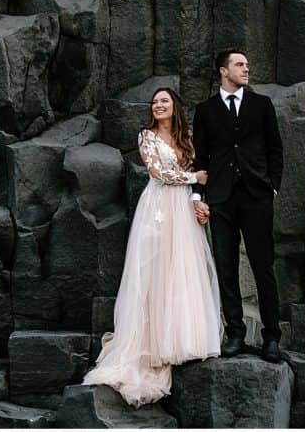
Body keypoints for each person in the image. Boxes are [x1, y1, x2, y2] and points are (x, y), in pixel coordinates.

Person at [82, 87, 222, 407]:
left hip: (183, 208)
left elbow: (202, 170)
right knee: (156, 268)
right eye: (155, 102)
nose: (158, 105)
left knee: (183, 267)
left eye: (164, 101)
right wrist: (194, 179)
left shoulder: (187, 137)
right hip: (159, 205)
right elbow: (158, 172)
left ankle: (183, 338)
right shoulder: (146, 136)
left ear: (175, 107)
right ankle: (153, 343)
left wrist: (199, 196)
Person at [191, 47, 284, 363]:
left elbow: (275, 149)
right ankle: (235, 333)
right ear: (223, 70)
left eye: (247, 64)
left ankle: (272, 337)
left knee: (263, 267)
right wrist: (197, 195)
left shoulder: (262, 105)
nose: (246, 69)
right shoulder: (205, 111)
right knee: (226, 268)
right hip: (220, 198)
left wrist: (273, 187)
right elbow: (200, 157)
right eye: (239, 64)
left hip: (257, 196)